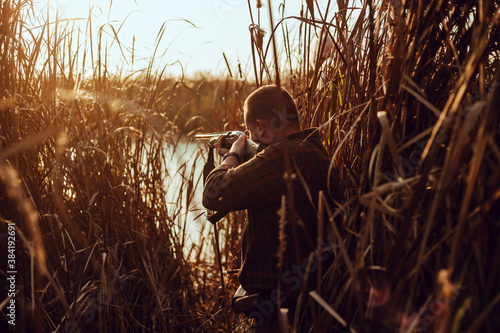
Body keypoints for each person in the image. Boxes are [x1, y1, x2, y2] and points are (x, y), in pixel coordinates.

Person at [202, 85, 337, 332]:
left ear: (263, 127)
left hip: (278, 310)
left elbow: (214, 193)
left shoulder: (281, 156)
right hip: (312, 298)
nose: (254, 140)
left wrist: (231, 156)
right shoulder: (317, 150)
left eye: (253, 133)